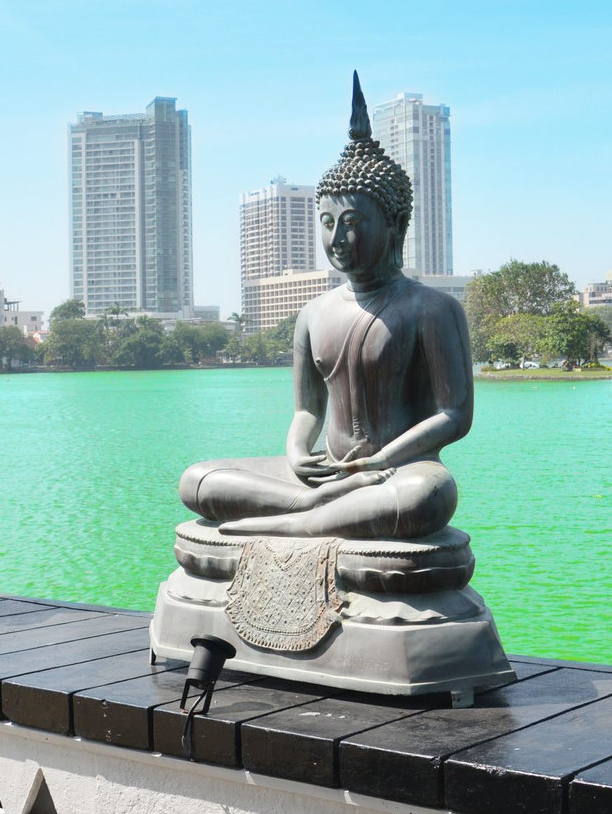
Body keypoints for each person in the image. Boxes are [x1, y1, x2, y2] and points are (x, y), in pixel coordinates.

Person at [179, 73, 471, 540]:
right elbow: (307, 410)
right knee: (197, 480)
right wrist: (297, 453)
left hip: (396, 472)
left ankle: (298, 522)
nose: (336, 239)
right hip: (327, 475)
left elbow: (454, 415)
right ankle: (311, 506)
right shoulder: (313, 313)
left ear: (394, 224)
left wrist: (382, 458)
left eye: (352, 222)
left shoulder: (430, 309)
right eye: (327, 222)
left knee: (429, 497)